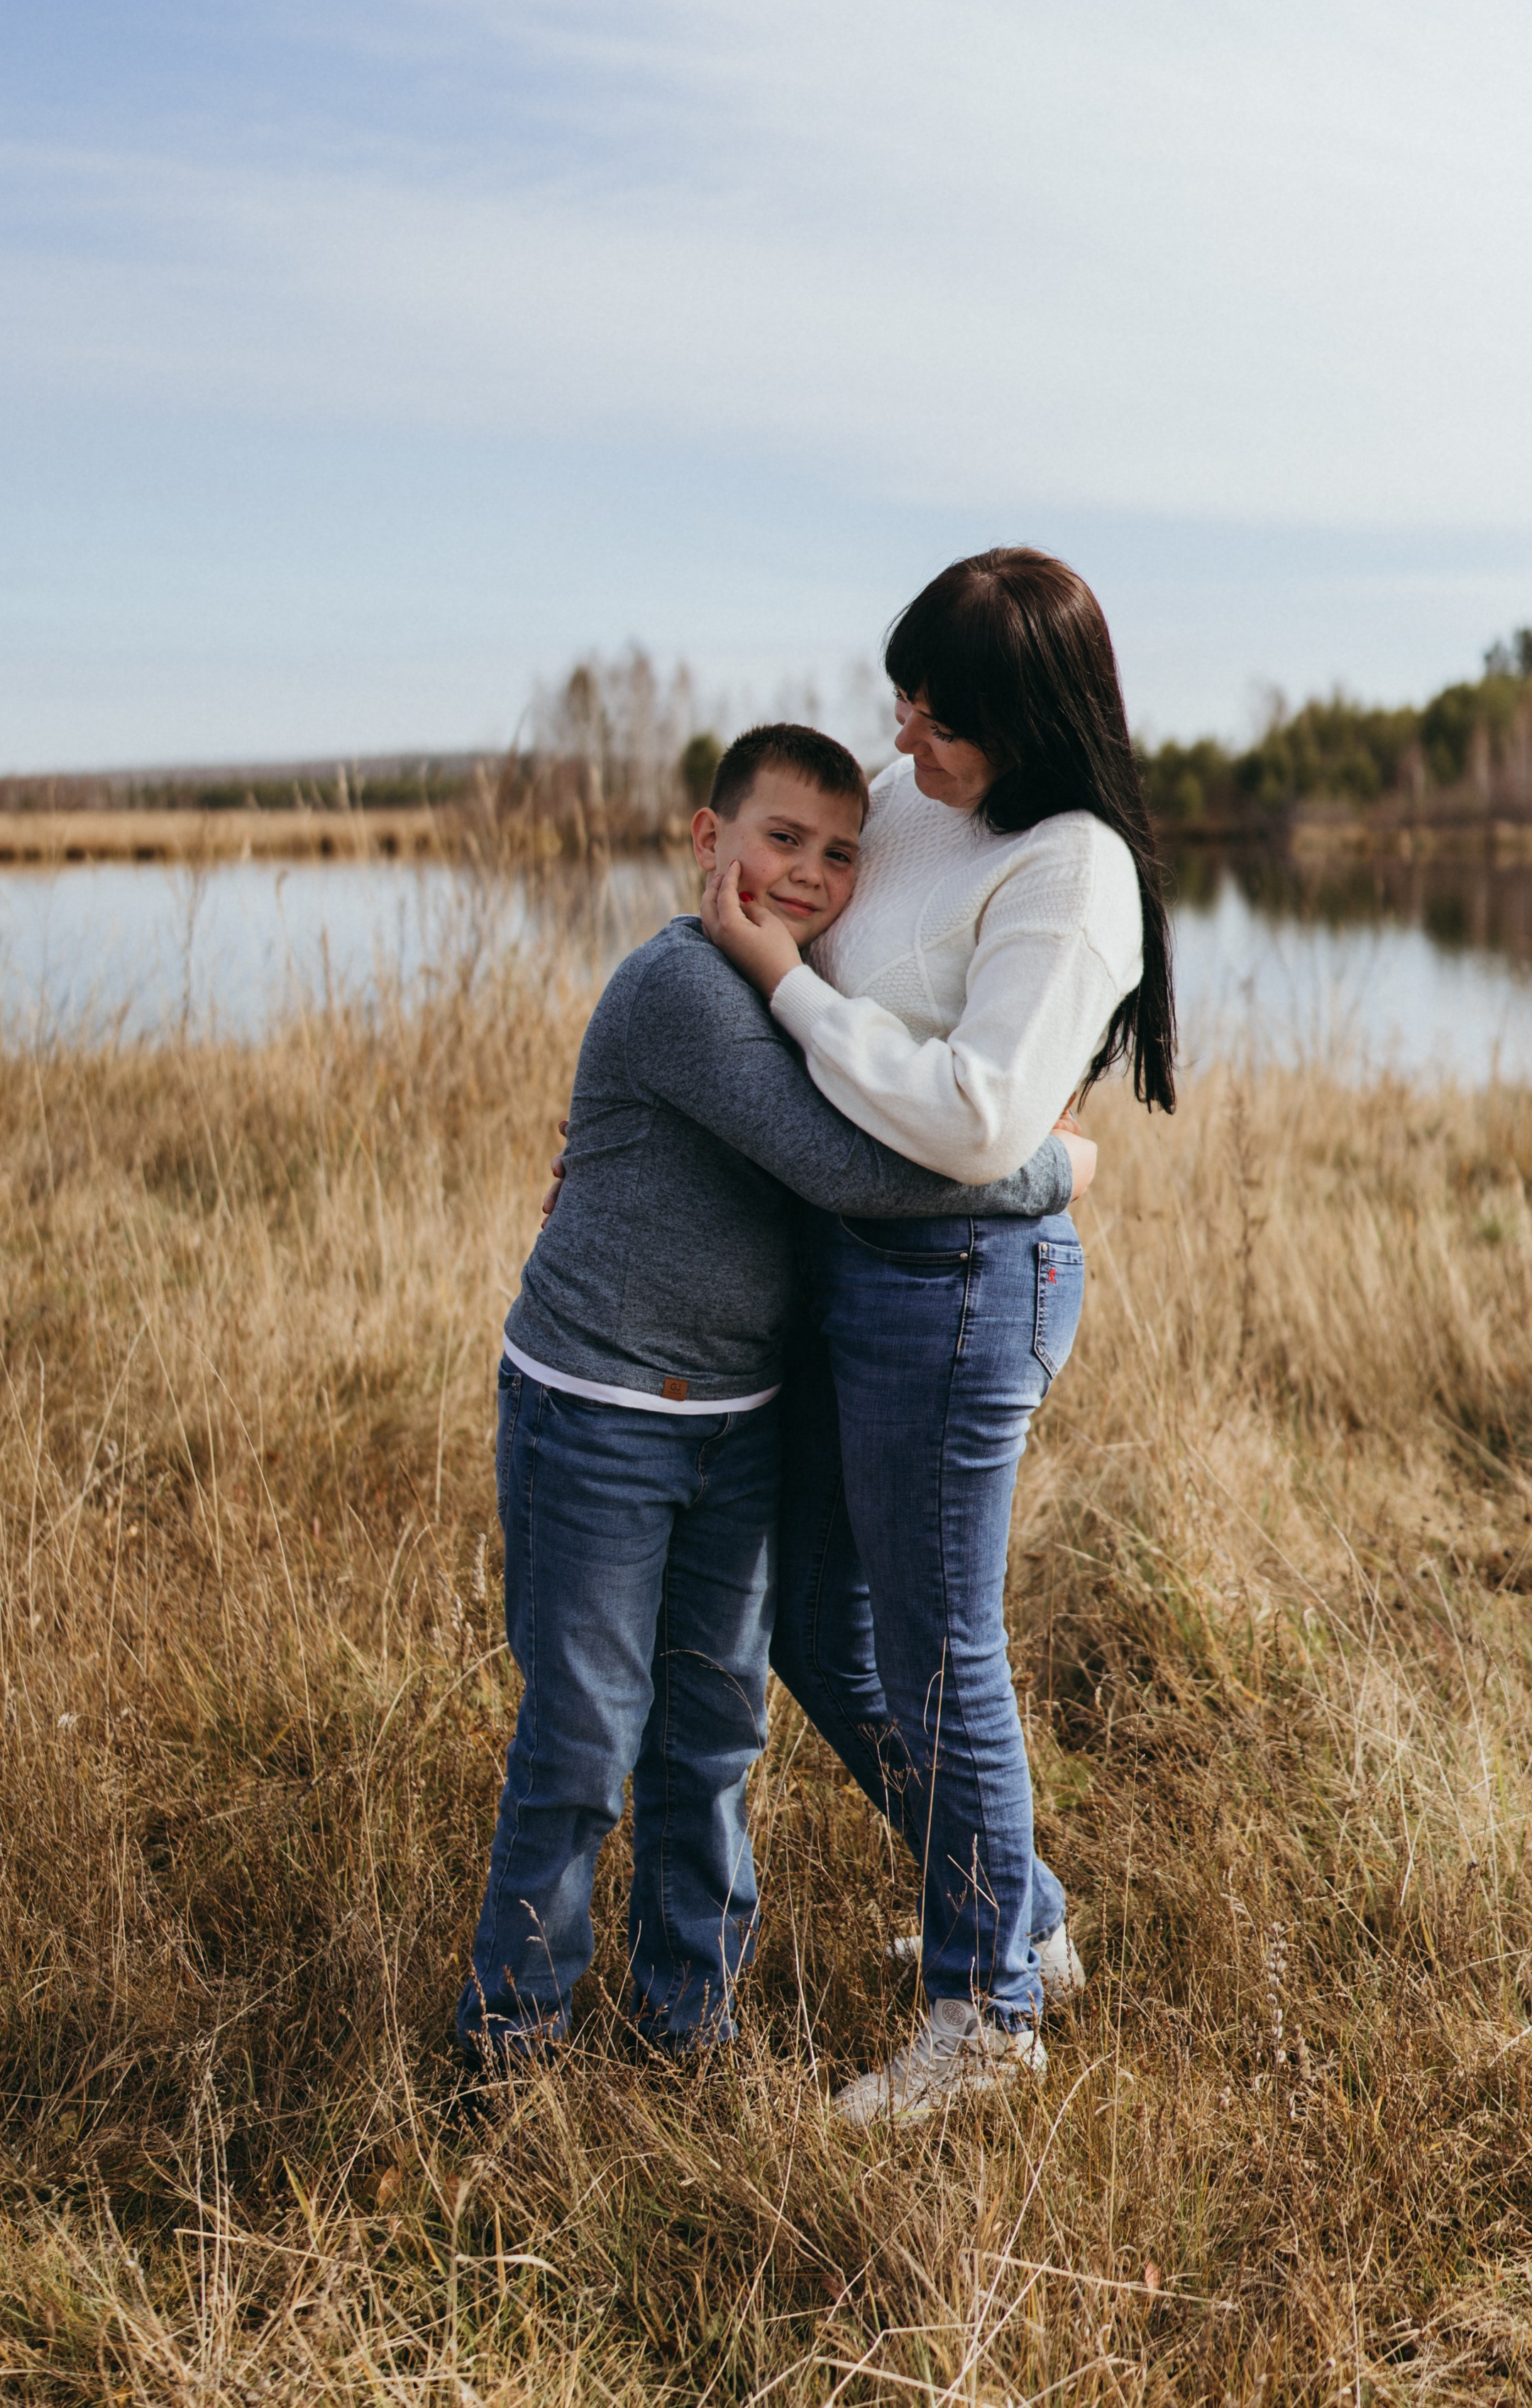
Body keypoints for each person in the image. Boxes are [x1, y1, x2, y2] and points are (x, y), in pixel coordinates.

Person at [457, 723, 1091, 2070]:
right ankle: (510, 2044)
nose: (807, 874)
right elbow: (845, 1169)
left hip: (735, 1420)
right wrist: (1050, 1168)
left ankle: (688, 2023)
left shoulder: (806, 993)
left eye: (841, 852)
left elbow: (869, 1124)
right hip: (605, 1414)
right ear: (709, 841)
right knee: (582, 1740)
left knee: (710, 1742)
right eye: (778, 841)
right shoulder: (691, 986)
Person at [700, 549, 1176, 2123]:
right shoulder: (910, 806)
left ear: (1027, 719)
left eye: (940, 715)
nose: (904, 739)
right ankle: (1017, 1914)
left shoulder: (1069, 871)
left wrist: (783, 992)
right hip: (841, 1263)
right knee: (812, 1622)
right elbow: (778, 897)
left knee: (937, 1646)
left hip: (961, 1284)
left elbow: (977, 1120)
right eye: (900, 696)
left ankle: (982, 2020)